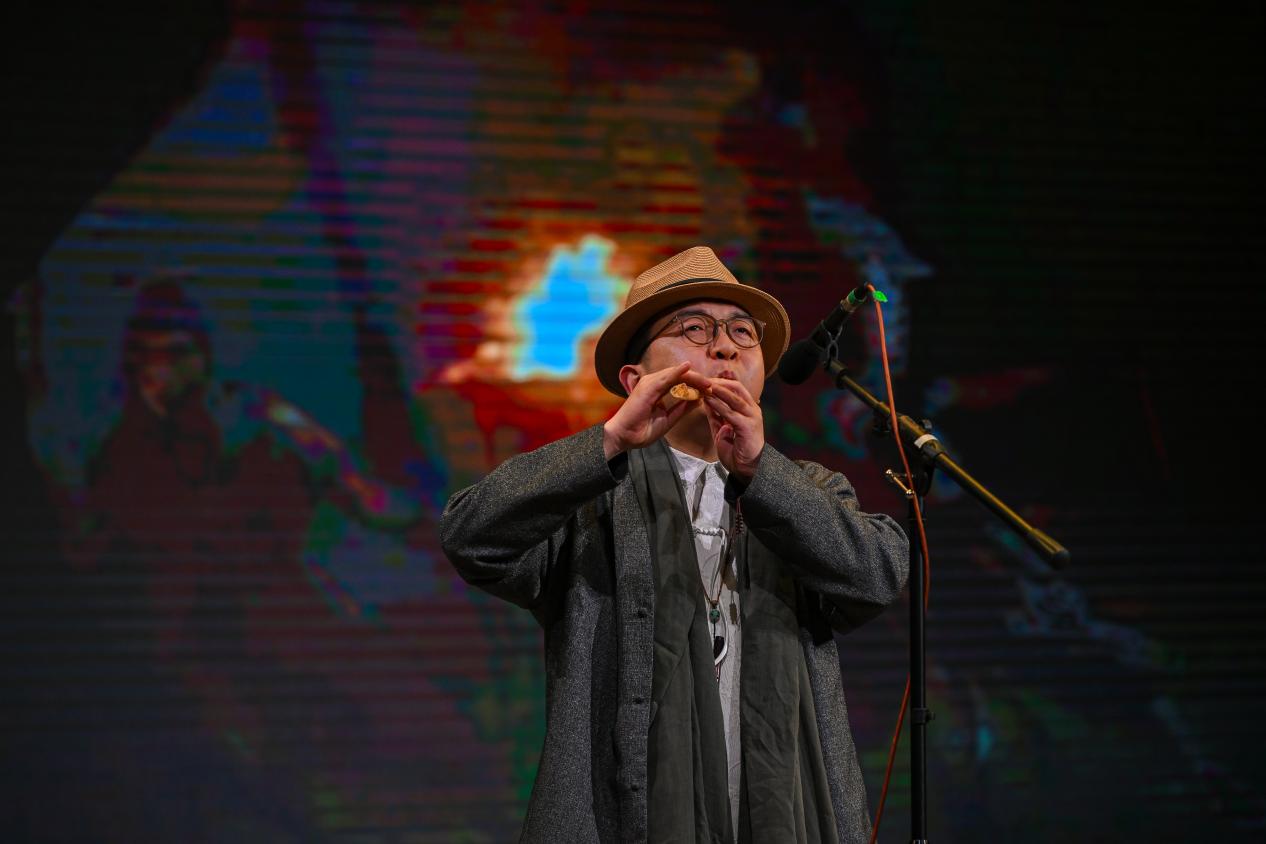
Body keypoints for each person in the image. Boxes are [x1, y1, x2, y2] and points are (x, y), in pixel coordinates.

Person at [440, 246, 909, 843]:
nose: (726, 348)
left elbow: (876, 576)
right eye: (695, 329)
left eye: (743, 333)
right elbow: (471, 538)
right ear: (635, 379)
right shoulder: (591, 495)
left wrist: (761, 474)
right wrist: (609, 441)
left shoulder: (807, 489)